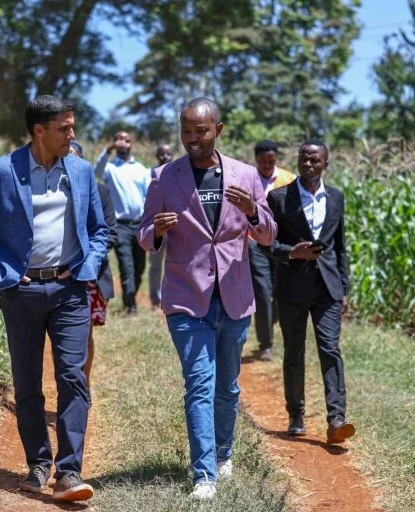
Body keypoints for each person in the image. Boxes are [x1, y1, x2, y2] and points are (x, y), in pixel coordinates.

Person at [0, 95, 108, 503]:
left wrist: (86, 267)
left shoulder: (80, 171)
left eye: (72, 127)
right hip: (20, 291)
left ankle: (69, 472)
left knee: (73, 378)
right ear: (39, 131)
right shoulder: (2, 171)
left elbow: (99, 230)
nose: (72, 134)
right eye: (64, 128)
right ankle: (38, 464)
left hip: (70, 292)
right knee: (27, 382)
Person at [137, 98, 276, 500]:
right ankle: (204, 475)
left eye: (201, 131)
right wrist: (157, 231)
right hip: (186, 299)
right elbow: (145, 235)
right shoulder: (164, 177)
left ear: (218, 128)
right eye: (186, 131)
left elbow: (267, 234)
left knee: (227, 387)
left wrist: (253, 212)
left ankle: (223, 453)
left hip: (233, 298)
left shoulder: (245, 175)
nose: (192, 139)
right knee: (199, 384)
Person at [264, 139, 355, 444]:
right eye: (304, 159)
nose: (308, 164)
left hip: (327, 288)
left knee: (330, 349)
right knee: (294, 351)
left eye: (315, 160)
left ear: (325, 164)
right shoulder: (279, 199)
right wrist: (293, 252)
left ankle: (336, 418)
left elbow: (340, 246)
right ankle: (296, 414)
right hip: (292, 287)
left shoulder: (337, 197)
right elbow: (268, 245)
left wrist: (344, 287)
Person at [68, 140, 117, 383]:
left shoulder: (102, 192)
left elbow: (110, 233)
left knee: (84, 334)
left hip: (90, 274)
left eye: (73, 156)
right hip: (55, 272)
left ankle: (82, 385)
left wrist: (85, 259)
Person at [248, 140, 296, 361]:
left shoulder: (289, 180)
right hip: (255, 241)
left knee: (278, 291)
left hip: (281, 242)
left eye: (271, 160)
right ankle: (265, 344)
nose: (267, 164)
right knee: (262, 291)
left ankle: (271, 321)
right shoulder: (246, 180)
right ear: (256, 159)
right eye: (263, 160)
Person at [94, 130, 151, 314]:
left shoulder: (141, 169)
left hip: (140, 224)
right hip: (120, 225)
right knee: (126, 266)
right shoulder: (110, 168)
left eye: (126, 140)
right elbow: (97, 171)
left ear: (130, 144)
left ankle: (131, 297)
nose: (122, 143)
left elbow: (148, 195)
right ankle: (130, 306)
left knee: (139, 267)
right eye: (118, 139)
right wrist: (107, 150)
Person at [148, 144, 173, 308]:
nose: (165, 157)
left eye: (168, 154)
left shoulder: (178, 174)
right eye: (162, 154)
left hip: (176, 226)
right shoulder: (149, 175)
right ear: (157, 155)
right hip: (157, 226)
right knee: (156, 265)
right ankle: (156, 299)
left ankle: (172, 297)